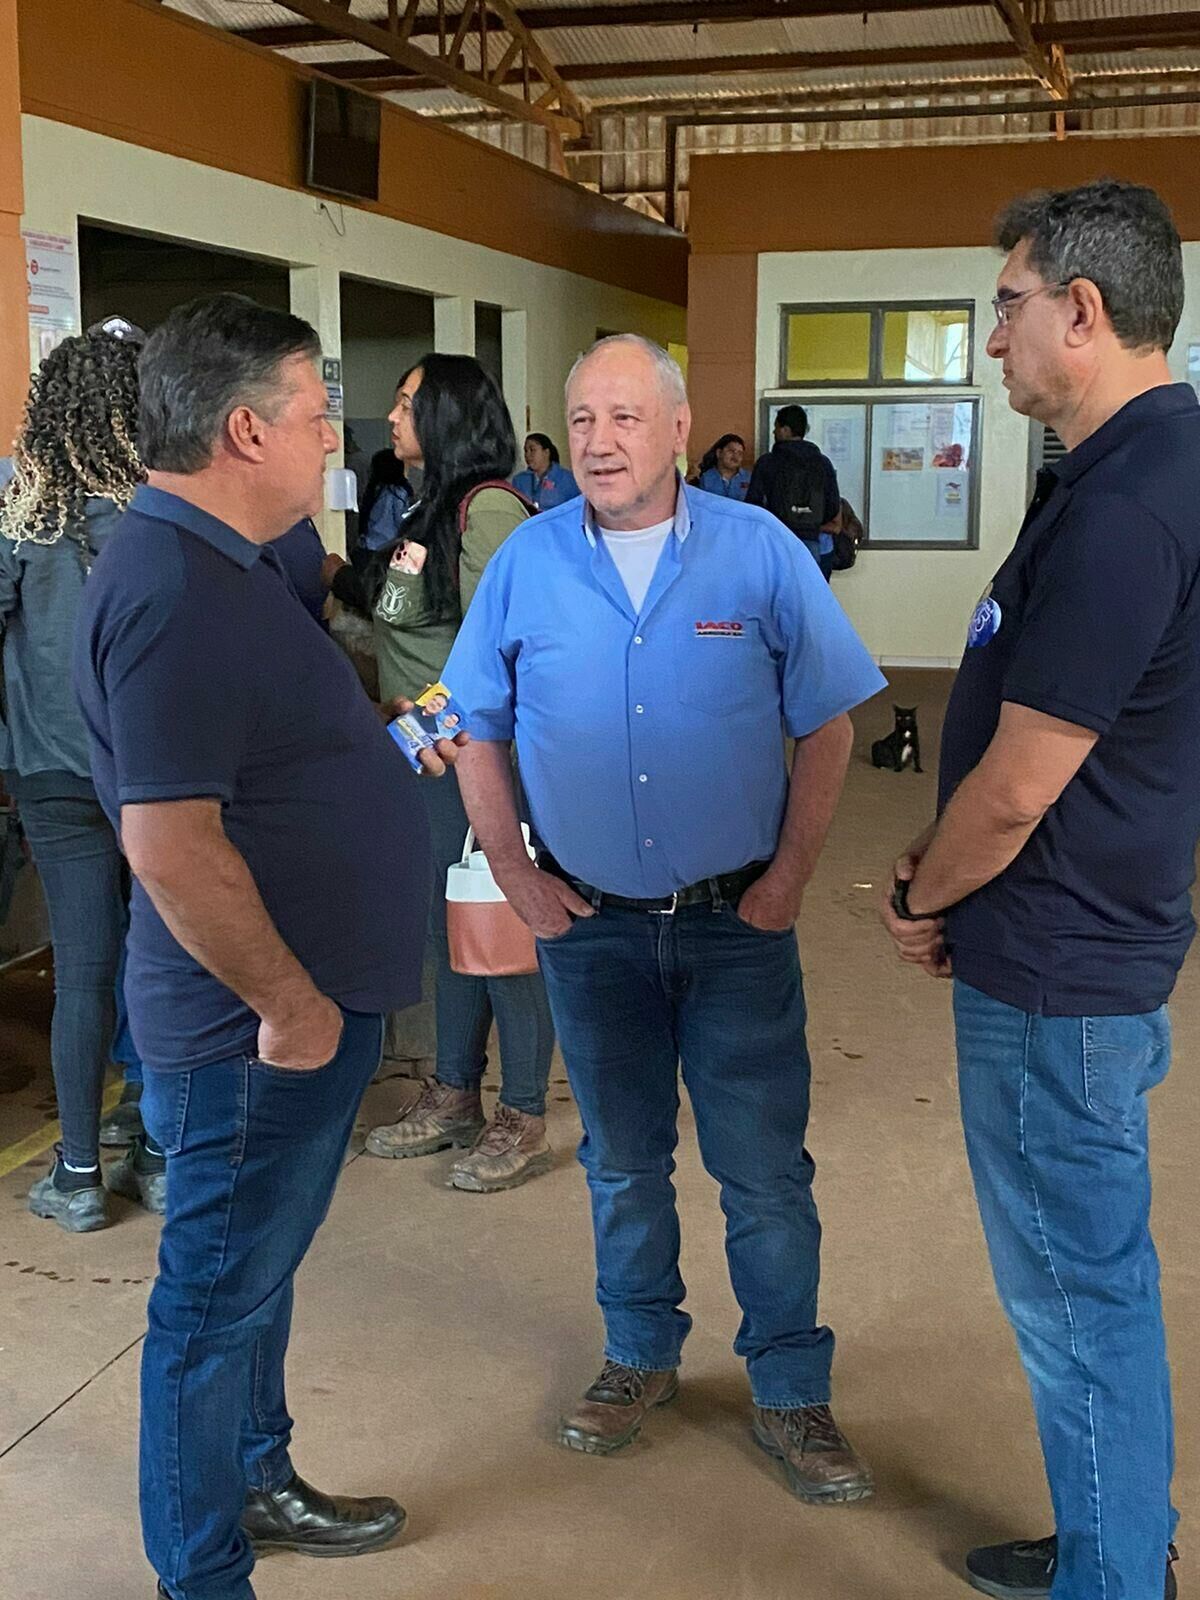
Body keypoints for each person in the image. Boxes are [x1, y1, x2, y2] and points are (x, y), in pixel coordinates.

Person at [445, 334, 885, 1499]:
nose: (599, 440)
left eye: (626, 418)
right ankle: (638, 1353)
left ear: (682, 427)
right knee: (623, 1161)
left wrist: (790, 875)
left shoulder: (759, 554)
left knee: (762, 1170)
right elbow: (472, 725)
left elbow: (832, 719)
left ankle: (790, 1384)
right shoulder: (526, 563)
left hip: (735, 922)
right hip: (589, 926)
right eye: (583, 418)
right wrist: (515, 872)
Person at [74, 292, 454, 1600]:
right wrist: (290, 1006)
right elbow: (171, 845)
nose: (329, 447)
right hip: (247, 1030)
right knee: (206, 1311)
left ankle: (261, 1473)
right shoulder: (169, 588)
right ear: (245, 430)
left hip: (288, 1018)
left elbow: (276, 757)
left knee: (256, 1279)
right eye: (312, 418)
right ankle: (205, 1573)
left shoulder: (237, 562)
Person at [879, 181, 1195, 1600]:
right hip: (1082, 945)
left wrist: (924, 893)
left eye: (1006, 306)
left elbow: (1019, 783)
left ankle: (1116, 1578)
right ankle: (1108, 1543)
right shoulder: (1138, 470)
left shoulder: (1131, 504)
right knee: (1085, 1289)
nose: (989, 336)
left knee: (1079, 1301)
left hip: (1059, 971)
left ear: (1083, 310)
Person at [353, 355, 558, 1193]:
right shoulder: (421, 509)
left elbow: (507, 653)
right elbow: (402, 629)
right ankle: (453, 1090)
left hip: (478, 764)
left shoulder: (490, 513)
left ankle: (522, 1109)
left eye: (407, 403)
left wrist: (435, 720)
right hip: (424, 764)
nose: (392, 416)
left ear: (446, 417)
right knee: (451, 933)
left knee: (502, 933)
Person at [0, 316, 166, 1230]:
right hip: (152, 775)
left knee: (84, 973)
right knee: (160, 959)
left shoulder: (23, 516)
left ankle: (74, 1175)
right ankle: (156, 1148)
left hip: (51, 778)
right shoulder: (164, 516)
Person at [747, 404, 841, 580]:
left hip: (775, 542)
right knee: (809, 598)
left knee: (775, 600)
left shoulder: (767, 462)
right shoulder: (822, 463)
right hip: (811, 541)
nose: (774, 433)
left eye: (776, 428)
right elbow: (833, 507)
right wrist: (811, 522)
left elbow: (753, 505)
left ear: (785, 430)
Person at [358, 446, 414, 551]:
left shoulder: (375, 491)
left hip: (369, 544)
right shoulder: (398, 492)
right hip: (389, 547)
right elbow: (402, 521)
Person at [513, 431, 580, 511]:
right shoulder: (519, 480)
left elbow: (577, 509)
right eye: (526, 451)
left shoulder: (567, 479)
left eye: (532, 450)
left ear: (546, 452)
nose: (527, 455)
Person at [696, 433, 751, 500]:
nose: (735, 456)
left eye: (740, 453)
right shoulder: (706, 478)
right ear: (719, 453)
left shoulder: (749, 478)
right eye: (731, 451)